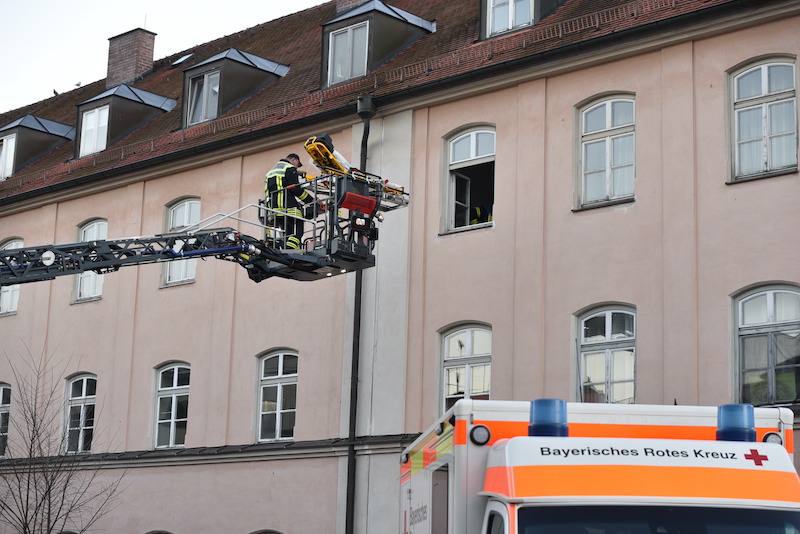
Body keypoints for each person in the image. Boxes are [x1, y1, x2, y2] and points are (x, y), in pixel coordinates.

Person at [265, 153, 314, 250]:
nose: (296, 167)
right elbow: (295, 189)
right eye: (297, 165)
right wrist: (311, 200)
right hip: (286, 206)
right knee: (299, 225)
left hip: (273, 209)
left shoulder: (270, 172)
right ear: (294, 160)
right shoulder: (289, 168)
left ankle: (286, 246)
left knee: (287, 230)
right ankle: (290, 247)